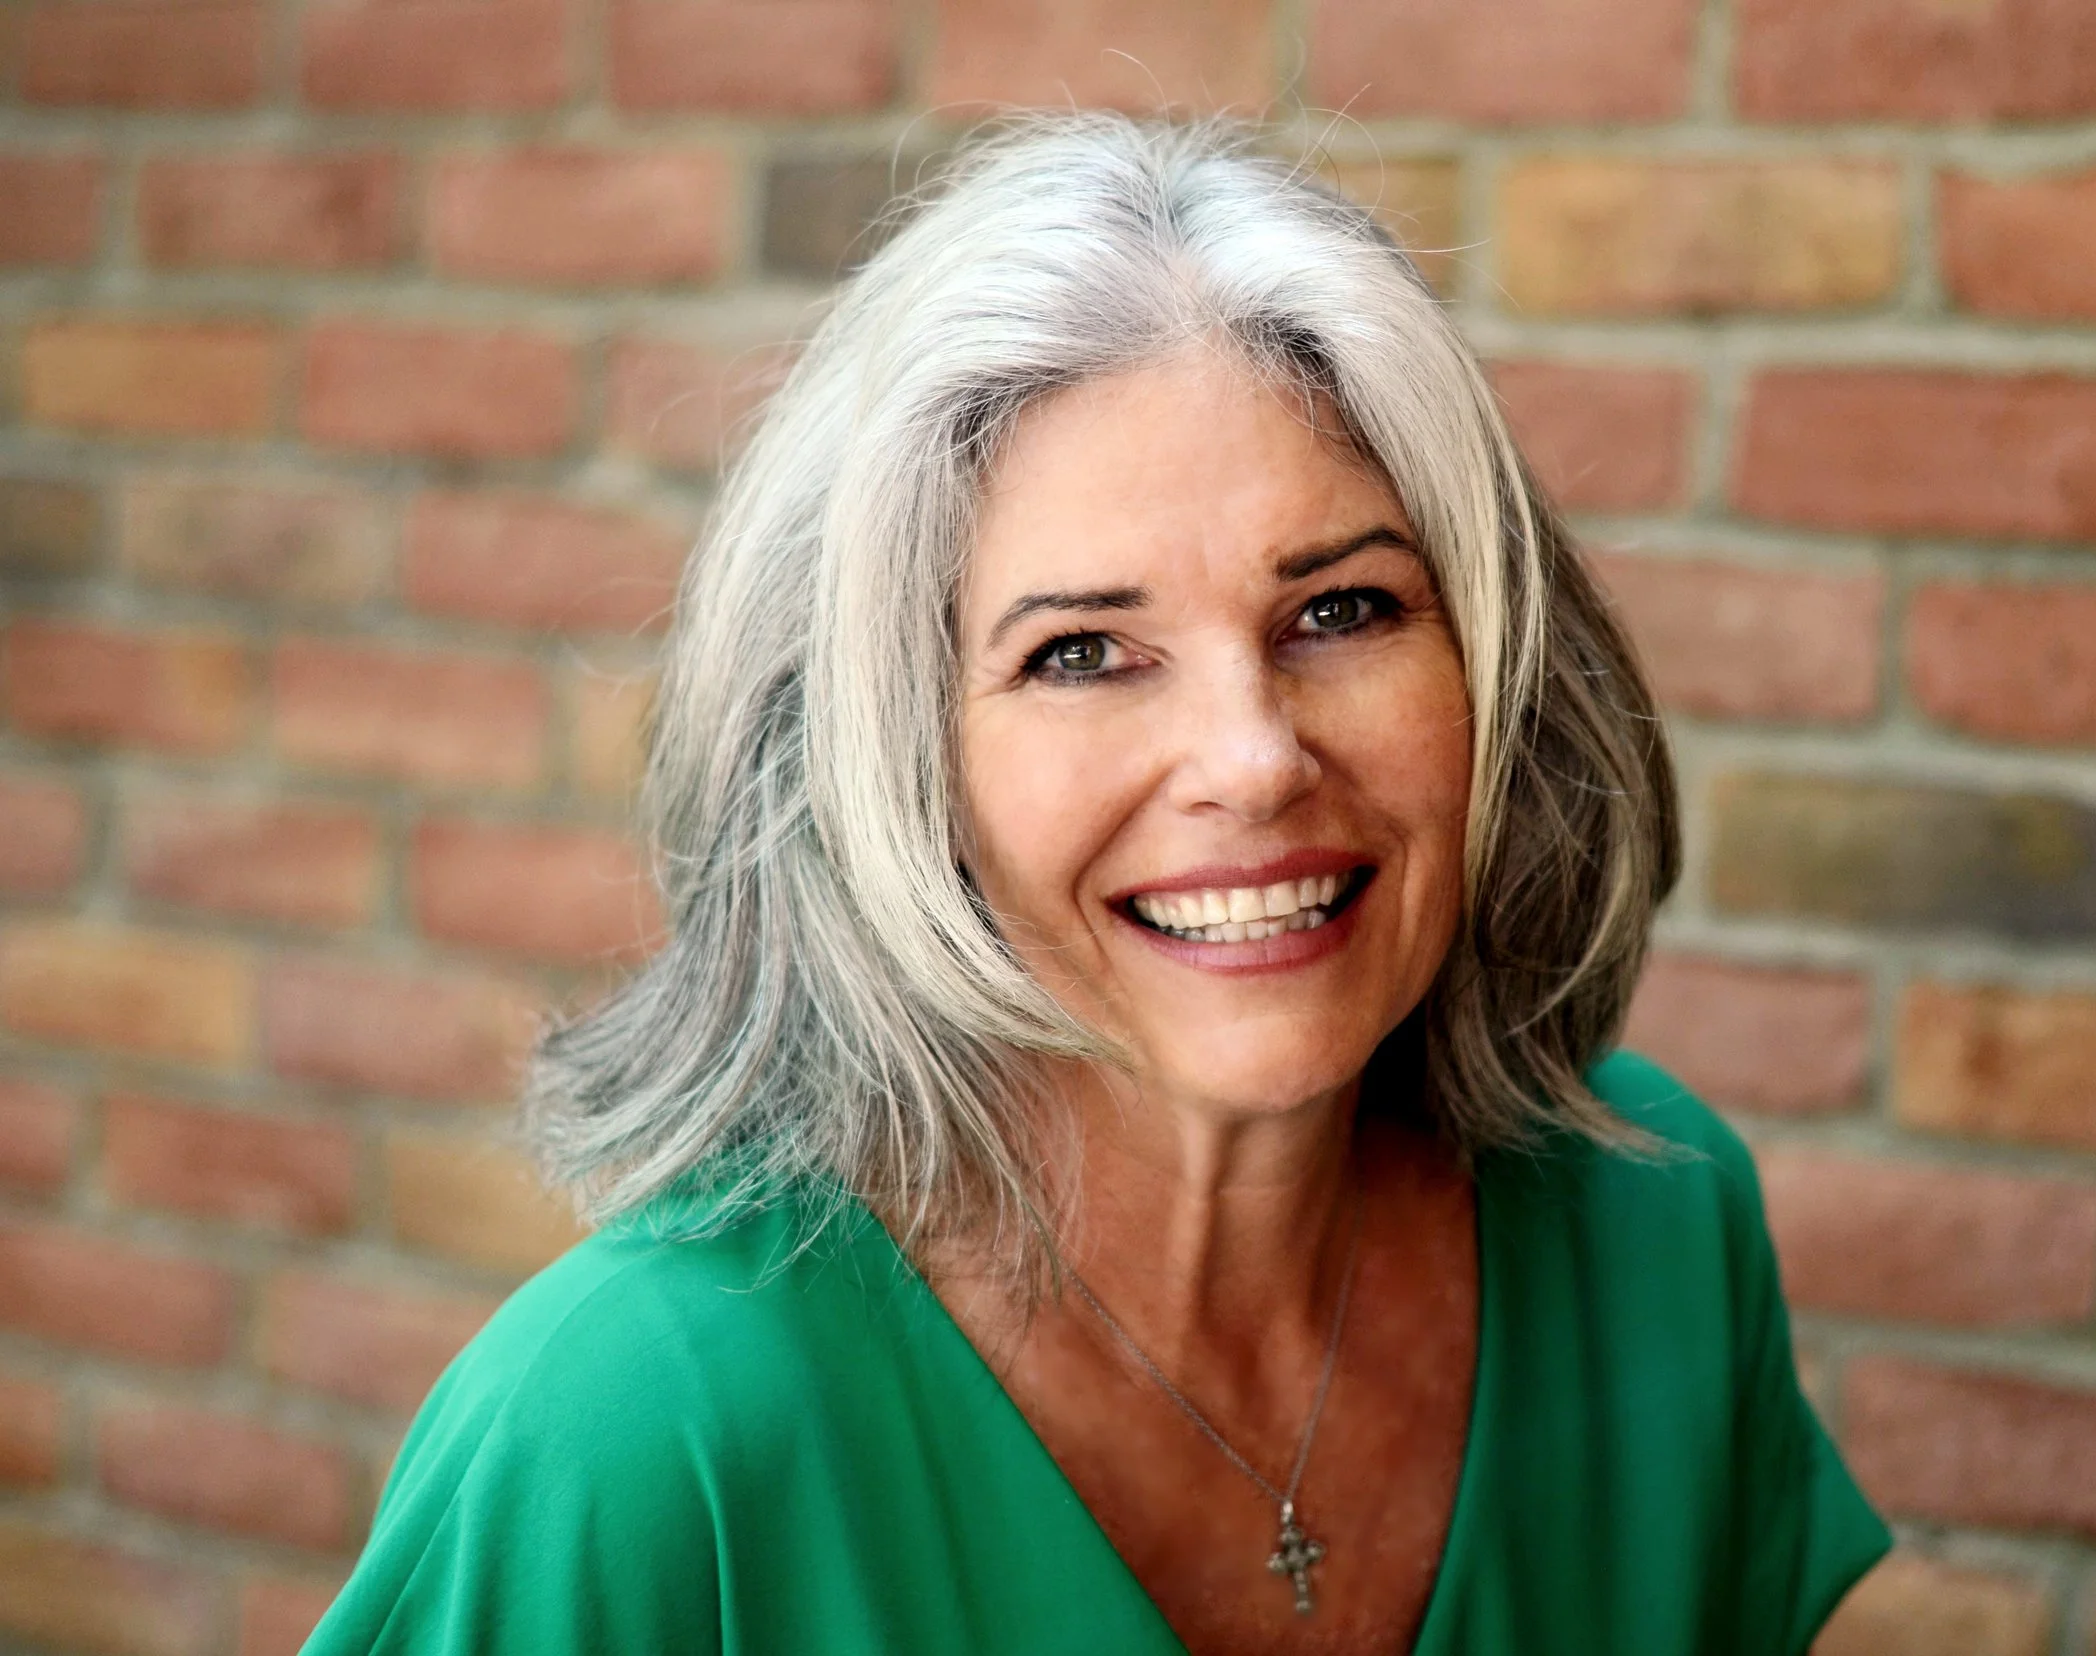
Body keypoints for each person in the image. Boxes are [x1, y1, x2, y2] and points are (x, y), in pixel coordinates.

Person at [303, 112, 1889, 1656]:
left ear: (1498, 664)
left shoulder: (1657, 1231)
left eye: (1340, 611)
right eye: (1079, 652)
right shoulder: (637, 1432)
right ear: (886, 767)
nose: (1252, 759)